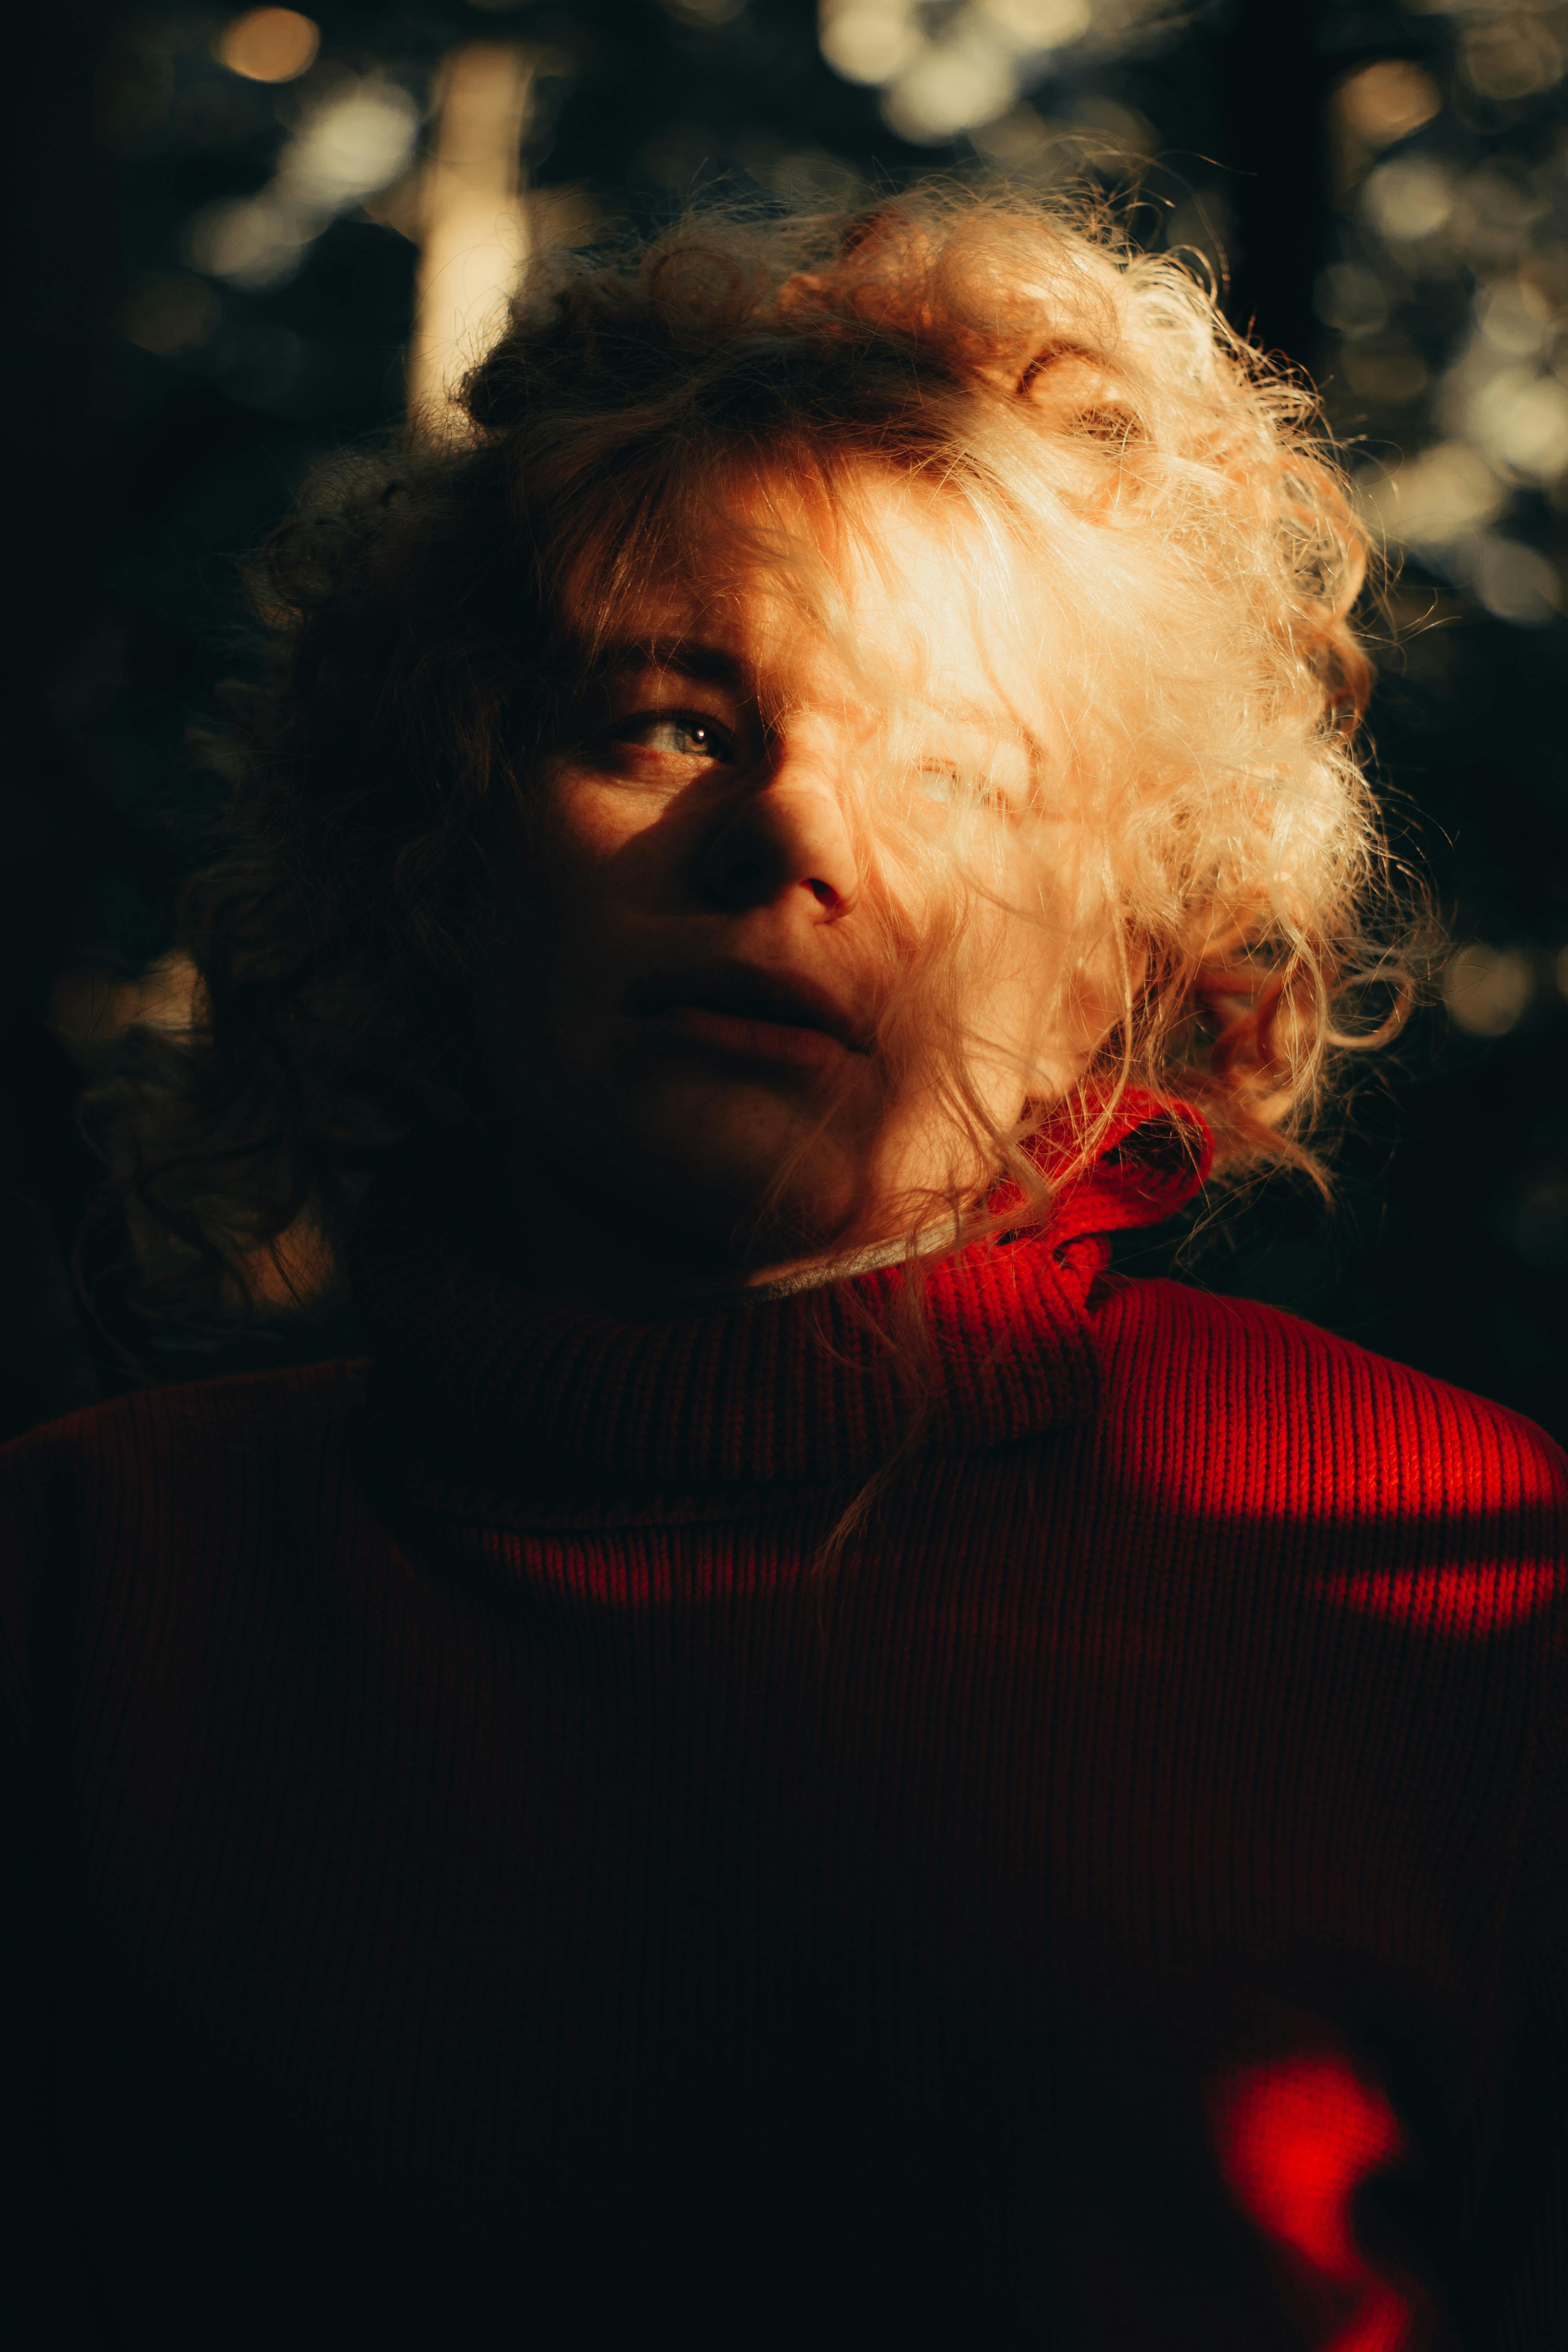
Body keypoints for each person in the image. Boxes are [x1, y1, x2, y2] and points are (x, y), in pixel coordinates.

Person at [3, 191, 1564, 2348]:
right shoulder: (82, 1594)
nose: (798, 837)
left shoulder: (1470, 1580)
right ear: (445, 840)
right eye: (672, 724)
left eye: (963, 771)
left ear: (1128, 963)